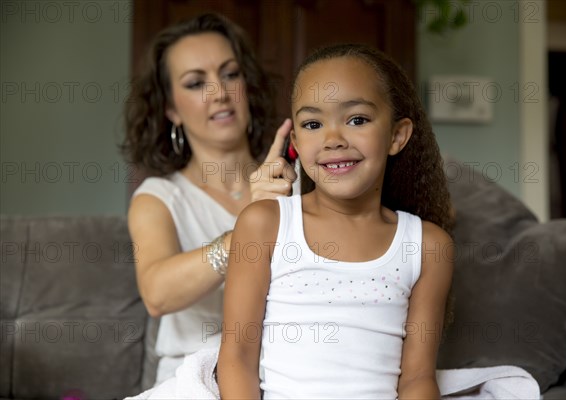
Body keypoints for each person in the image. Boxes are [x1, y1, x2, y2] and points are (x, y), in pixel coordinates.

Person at [217, 43, 454, 399]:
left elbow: (418, 377)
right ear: (295, 141)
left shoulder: (428, 246)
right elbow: (236, 358)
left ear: (396, 135)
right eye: (313, 124)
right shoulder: (264, 224)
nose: (332, 140)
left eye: (357, 120)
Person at [121, 13, 297, 385]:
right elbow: (157, 293)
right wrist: (248, 227)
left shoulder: (295, 180)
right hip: (195, 378)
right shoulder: (158, 199)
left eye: (230, 74)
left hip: (288, 372)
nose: (220, 92)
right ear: (170, 109)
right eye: (196, 83)